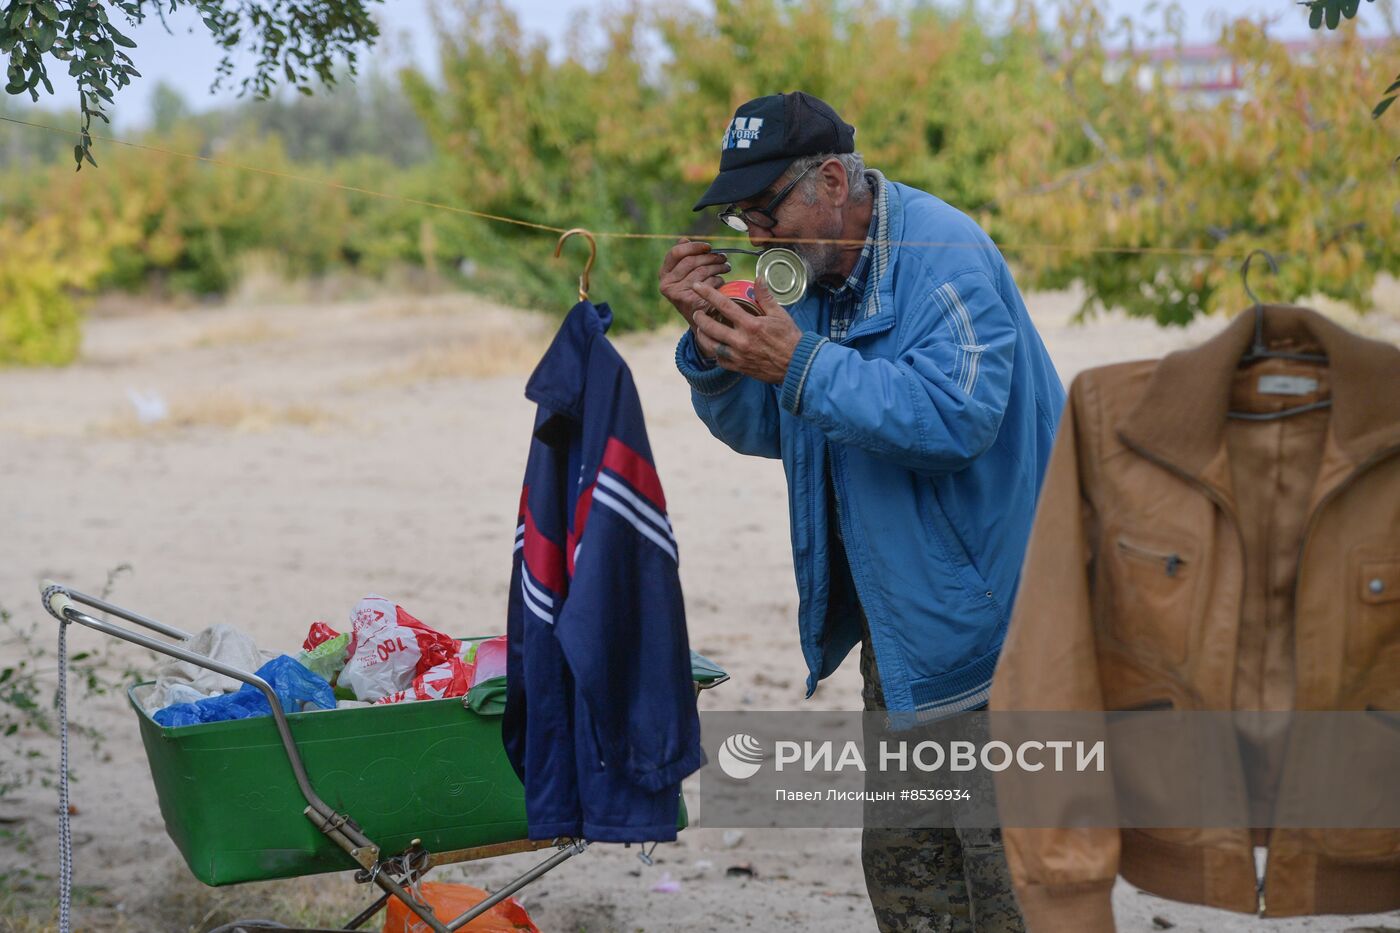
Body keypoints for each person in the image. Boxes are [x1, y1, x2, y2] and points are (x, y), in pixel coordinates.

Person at [658, 91, 1065, 932]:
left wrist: (800, 361)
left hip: (1011, 633)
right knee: (914, 880)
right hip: (910, 633)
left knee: (1016, 885)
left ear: (834, 180)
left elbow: (958, 417)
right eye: (742, 221)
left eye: (765, 213)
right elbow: (783, 426)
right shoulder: (809, 279)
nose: (757, 240)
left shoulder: (944, 253)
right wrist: (716, 349)